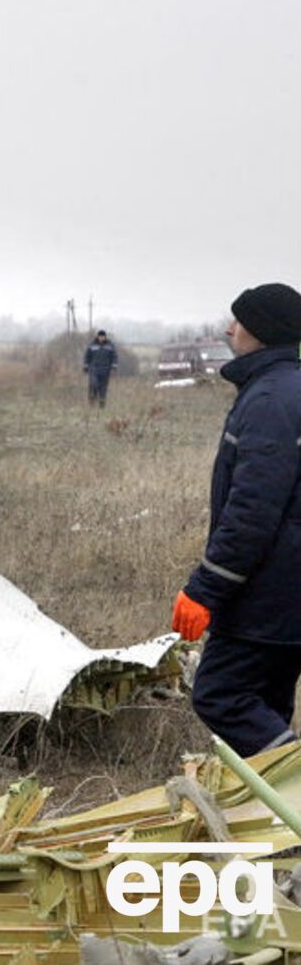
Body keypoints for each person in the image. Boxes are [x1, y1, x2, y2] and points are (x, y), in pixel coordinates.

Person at [170, 283, 301, 756]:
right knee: (267, 702)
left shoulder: (269, 401)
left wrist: (205, 589)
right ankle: (281, 822)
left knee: (220, 695)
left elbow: (253, 512)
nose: (230, 329)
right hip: (288, 597)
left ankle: (296, 791)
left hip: (268, 594)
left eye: (239, 321)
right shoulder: (288, 389)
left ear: (261, 331)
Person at [83, 329, 118, 406]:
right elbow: (87, 356)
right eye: (100, 336)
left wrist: (114, 366)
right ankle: (92, 401)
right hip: (94, 369)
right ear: (98, 336)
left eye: (103, 336)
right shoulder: (92, 345)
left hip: (105, 370)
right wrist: (85, 365)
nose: (101, 338)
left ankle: (102, 403)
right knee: (94, 384)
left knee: (103, 387)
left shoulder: (110, 345)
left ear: (105, 337)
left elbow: (114, 356)